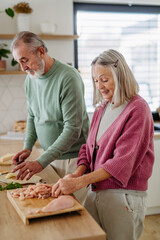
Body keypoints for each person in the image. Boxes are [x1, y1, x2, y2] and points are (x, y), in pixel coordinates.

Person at [52, 49, 155, 240]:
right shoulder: (102, 107)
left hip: (123, 197)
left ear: (120, 75)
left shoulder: (138, 108)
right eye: (95, 80)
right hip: (97, 192)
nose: (99, 86)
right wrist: (76, 173)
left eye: (104, 79)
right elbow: (87, 149)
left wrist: (79, 182)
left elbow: (121, 162)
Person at [11, 31, 89, 203]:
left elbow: (73, 129)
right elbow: (32, 115)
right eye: (19, 62)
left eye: (25, 60)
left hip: (74, 161)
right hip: (50, 158)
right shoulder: (31, 79)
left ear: (40, 51)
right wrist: (28, 146)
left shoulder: (68, 77)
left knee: (74, 217)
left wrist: (40, 162)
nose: (23, 68)